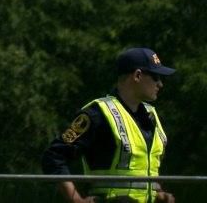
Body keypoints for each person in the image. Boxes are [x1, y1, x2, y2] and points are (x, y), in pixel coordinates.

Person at [42, 48, 176, 203]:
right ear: (137, 75)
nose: (160, 84)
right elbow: (53, 156)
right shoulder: (97, 113)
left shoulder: (151, 116)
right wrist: (77, 200)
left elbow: (145, 168)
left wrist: (158, 192)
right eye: (155, 76)